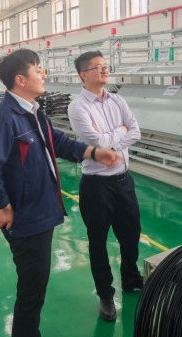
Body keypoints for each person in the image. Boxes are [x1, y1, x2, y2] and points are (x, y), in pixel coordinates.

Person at [0, 48, 119, 337]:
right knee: (32, 289)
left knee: (35, 285)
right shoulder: (5, 119)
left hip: (40, 211)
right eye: (38, 70)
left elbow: (58, 142)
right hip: (25, 217)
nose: (43, 74)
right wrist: (2, 205)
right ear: (20, 79)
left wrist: (92, 152)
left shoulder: (32, 111)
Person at [67, 51, 144, 322]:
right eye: (97, 67)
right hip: (96, 186)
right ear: (83, 75)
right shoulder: (78, 107)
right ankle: (105, 294)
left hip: (124, 181)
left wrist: (113, 136)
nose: (104, 70)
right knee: (98, 241)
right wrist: (120, 131)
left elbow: (136, 131)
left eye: (105, 65)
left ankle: (131, 279)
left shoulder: (117, 100)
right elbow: (97, 143)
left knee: (131, 234)